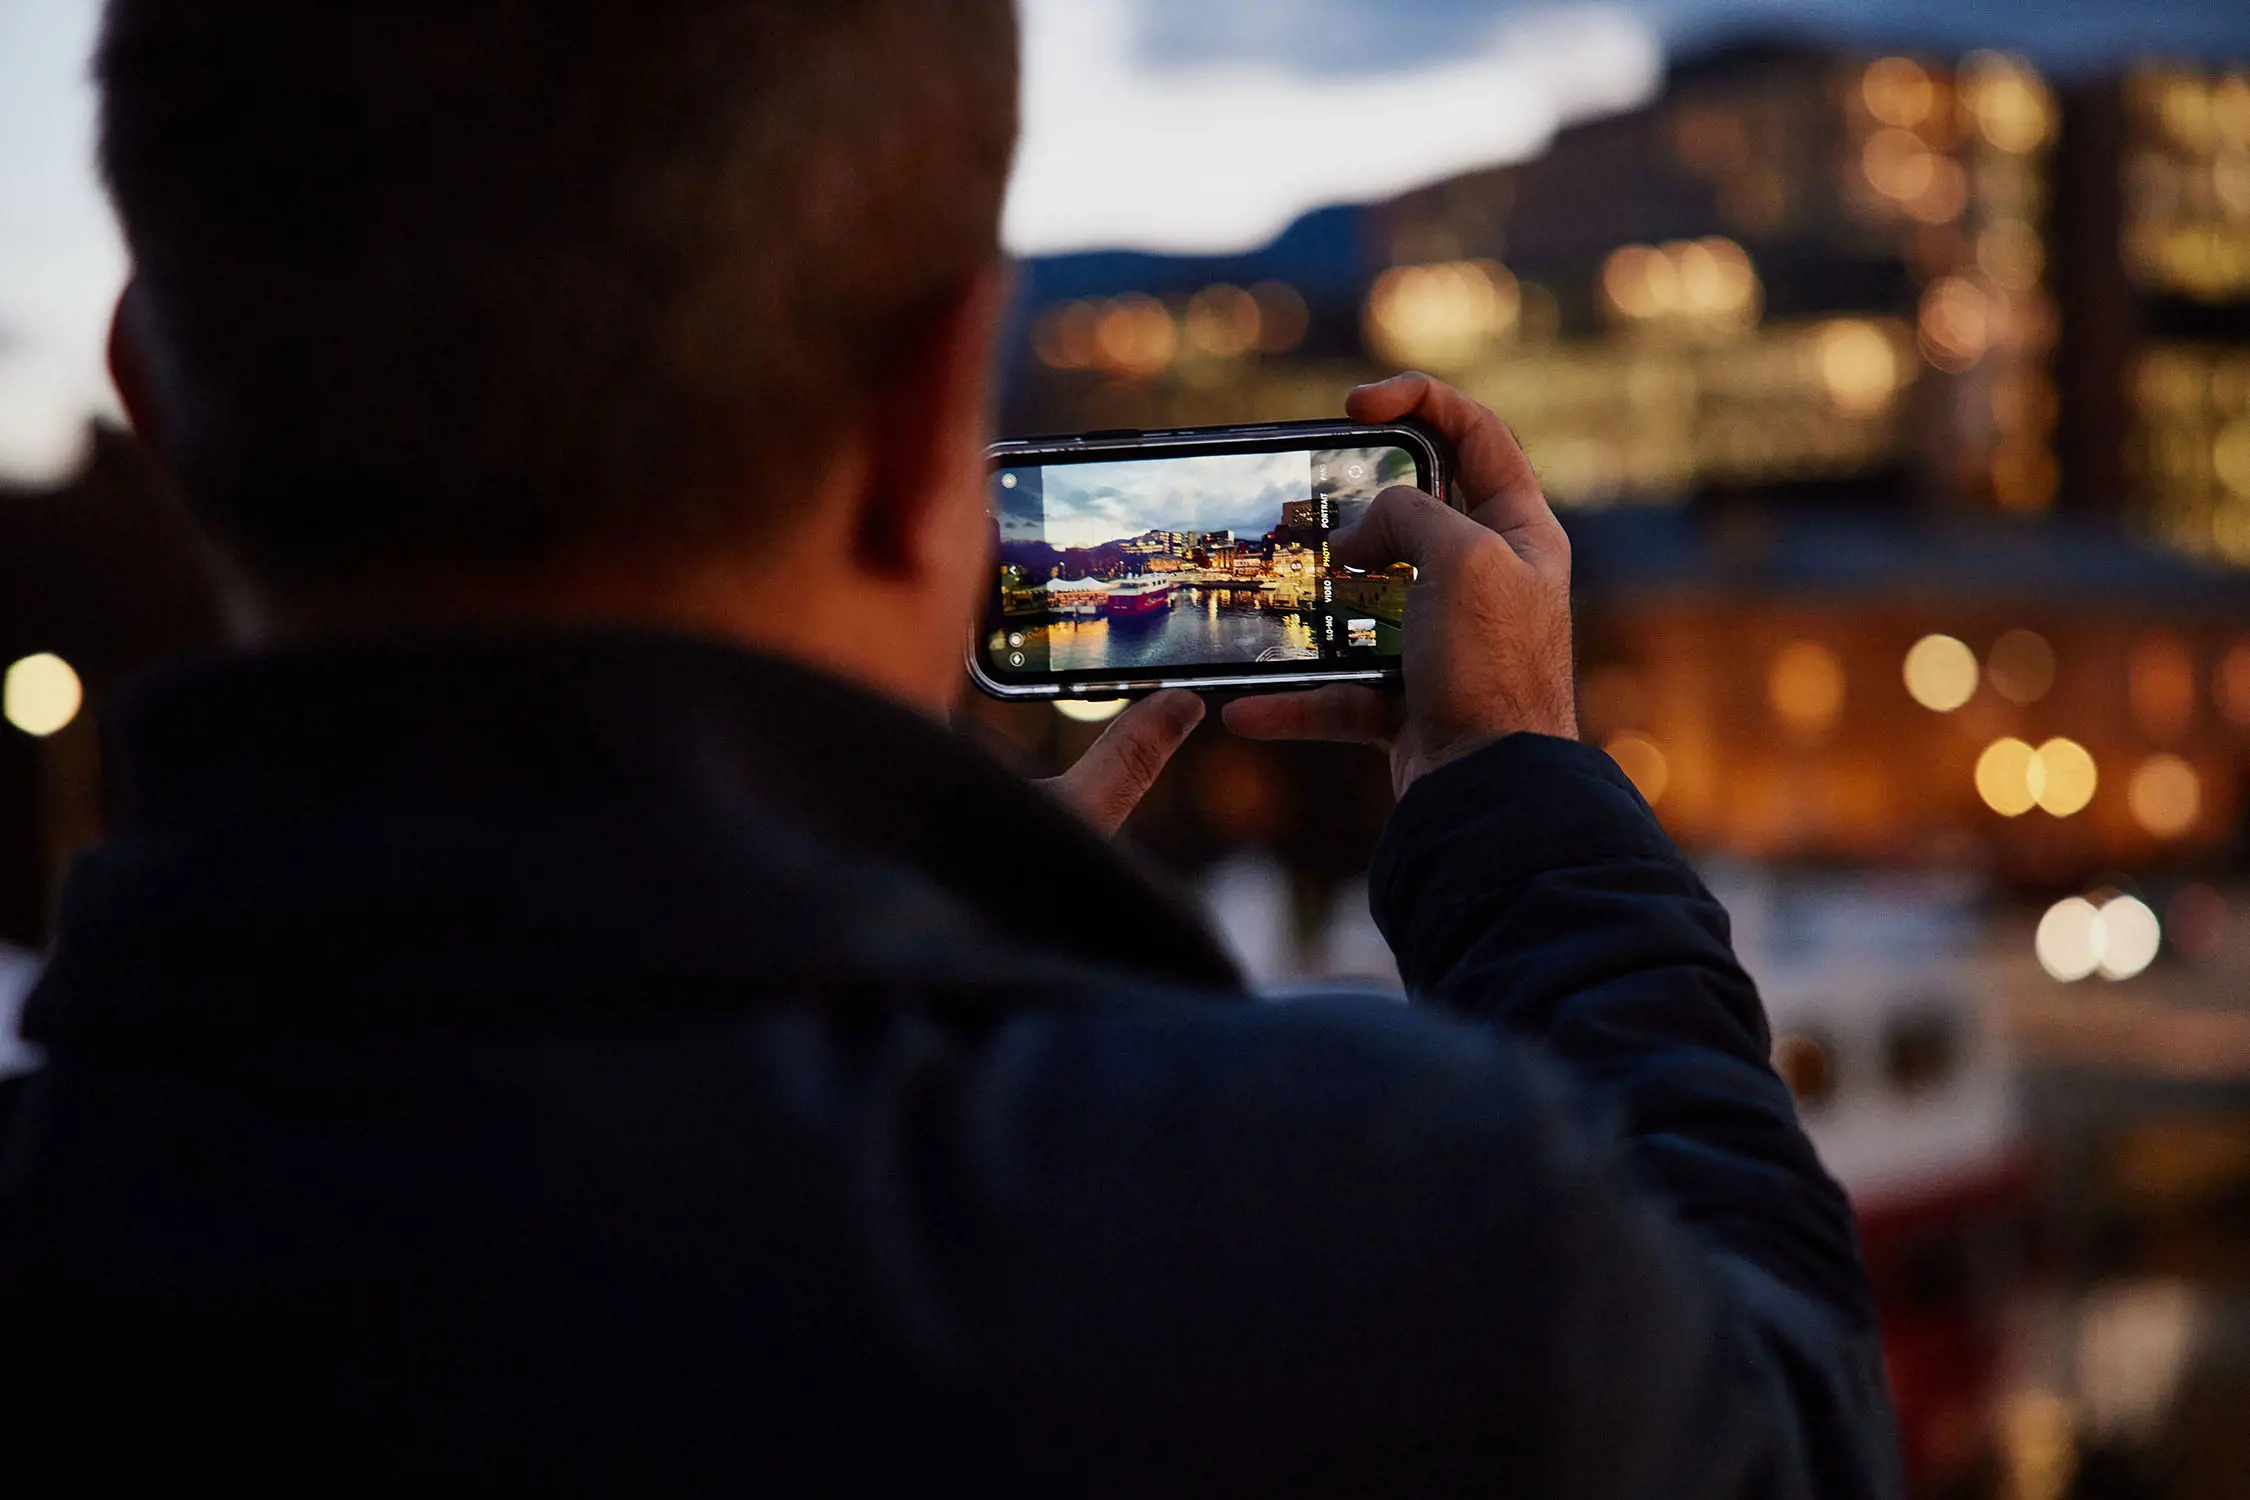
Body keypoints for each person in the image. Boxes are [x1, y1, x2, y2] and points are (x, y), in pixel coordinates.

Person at [0, 1, 1901, 1494]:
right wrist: (1520, 803)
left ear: (154, 402)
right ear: (932, 421)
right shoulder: (1355, 1253)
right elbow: (1791, 1426)